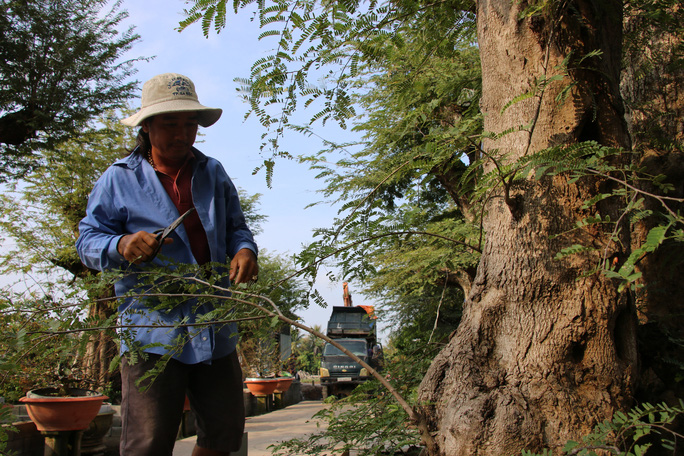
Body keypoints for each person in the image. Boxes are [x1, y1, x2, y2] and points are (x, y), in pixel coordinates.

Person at [76, 73, 258, 456]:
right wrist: (122, 244)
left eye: (190, 124)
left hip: (214, 326)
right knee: (148, 442)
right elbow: (88, 241)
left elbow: (237, 228)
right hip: (152, 332)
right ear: (146, 127)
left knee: (224, 432)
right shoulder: (118, 179)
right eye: (170, 124)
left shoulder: (213, 173)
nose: (182, 134)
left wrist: (245, 251)